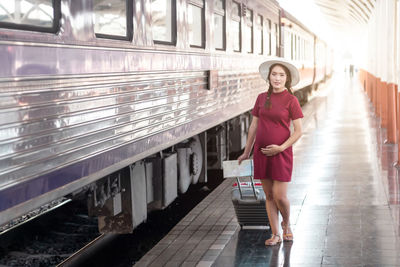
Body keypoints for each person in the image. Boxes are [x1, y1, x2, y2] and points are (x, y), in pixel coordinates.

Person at [238, 58, 303, 246]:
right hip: (261, 153)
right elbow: (253, 126)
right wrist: (246, 152)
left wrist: (281, 147)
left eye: (281, 75)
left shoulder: (291, 100)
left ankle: (287, 224)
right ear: (269, 77)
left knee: (279, 195)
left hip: (282, 154)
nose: (277, 78)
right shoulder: (260, 98)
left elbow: (298, 131)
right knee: (268, 196)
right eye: (274, 74)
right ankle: (275, 234)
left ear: (287, 79)